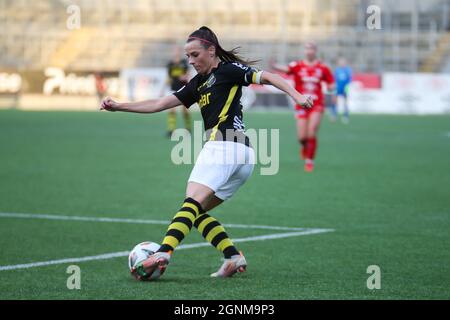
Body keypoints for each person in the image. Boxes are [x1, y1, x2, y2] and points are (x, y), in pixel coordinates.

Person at [100, 26, 313, 280]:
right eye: (188, 56)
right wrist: (120, 106)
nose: (190, 61)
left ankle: (164, 252)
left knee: (189, 205)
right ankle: (233, 256)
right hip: (243, 155)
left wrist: (297, 95)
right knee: (196, 212)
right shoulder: (198, 83)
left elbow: (267, 76)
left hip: (223, 146)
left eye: (194, 54)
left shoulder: (228, 70)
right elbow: (159, 103)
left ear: (211, 51)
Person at [271, 43, 335, 172]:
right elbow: (285, 69)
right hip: (301, 104)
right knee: (301, 137)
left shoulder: (322, 68)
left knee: (311, 131)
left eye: (311, 49)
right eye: (307, 49)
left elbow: (331, 83)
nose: (309, 51)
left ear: (315, 51)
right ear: (304, 51)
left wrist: (331, 88)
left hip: (317, 104)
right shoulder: (297, 66)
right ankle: (305, 146)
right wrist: (273, 65)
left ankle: (309, 161)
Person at [165, 46, 192, 137]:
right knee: (172, 110)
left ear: (179, 52)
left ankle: (188, 128)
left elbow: (188, 75)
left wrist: (186, 78)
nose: (175, 53)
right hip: (173, 89)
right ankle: (171, 130)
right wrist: (162, 89)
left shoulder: (184, 63)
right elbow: (168, 77)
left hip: (183, 88)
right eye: (174, 51)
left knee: (185, 110)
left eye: (177, 51)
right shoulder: (170, 64)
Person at [332, 57, 352, 124]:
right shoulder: (337, 70)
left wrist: (347, 87)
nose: (342, 63)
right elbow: (334, 79)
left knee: (345, 102)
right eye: (340, 62)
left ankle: (345, 116)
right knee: (335, 102)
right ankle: (334, 115)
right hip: (338, 88)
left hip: (345, 88)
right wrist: (334, 86)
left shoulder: (348, 70)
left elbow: (349, 79)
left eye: (343, 62)